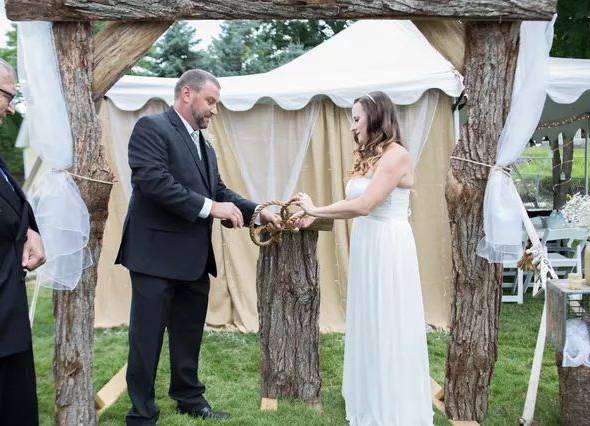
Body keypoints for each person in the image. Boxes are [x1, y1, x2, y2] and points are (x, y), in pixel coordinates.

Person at [116, 69, 280, 425]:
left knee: (189, 334)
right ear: (186, 93)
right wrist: (209, 208)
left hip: (192, 260)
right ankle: (141, 413)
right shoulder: (152, 128)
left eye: (216, 104)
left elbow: (218, 191)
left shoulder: (204, 146)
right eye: (210, 101)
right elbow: (153, 181)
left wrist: (259, 212)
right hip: (154, 257)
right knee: (145, 340)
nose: (214, 111)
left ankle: (189, 397)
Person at [292, 91, 433, 425]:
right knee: (369, 318)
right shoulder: (372, 155)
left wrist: (315, 207)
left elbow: (365, 204)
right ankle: (369, 395)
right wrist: (317, 217)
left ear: (376, 117)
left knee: (388, 319)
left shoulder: (396, 155)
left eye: (356, 118)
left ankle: (392, 404)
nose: (352, 126)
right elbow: (353, 206)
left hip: (388, 247)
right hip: (369, 243)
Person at [0, 58, 46, 425]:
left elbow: (13, 202)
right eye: (7, 96)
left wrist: (31, 230)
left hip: (7, 310)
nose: (11, 107)